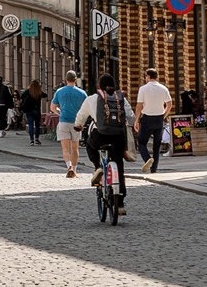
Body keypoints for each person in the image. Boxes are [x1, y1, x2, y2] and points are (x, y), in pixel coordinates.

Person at [76, 75, 134, 216]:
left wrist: (78, 126)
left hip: (100, 135)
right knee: (119, 166)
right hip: (118, 136)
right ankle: (119, 203)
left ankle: (97, 168)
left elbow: (81, 116)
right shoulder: (121, 99)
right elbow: (131, 117)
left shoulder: (92, 99)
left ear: (99, 86)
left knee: (90, 145)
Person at [134, 68, 173, 173]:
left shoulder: (143, 89)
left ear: (148, 76)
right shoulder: (163, 88)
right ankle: (154, 168)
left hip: (147, 118)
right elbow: (169, 104)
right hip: (159, 118)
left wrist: (136, 120)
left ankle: (147, 159)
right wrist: (164, 115)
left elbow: (139, 106)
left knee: (141, 142)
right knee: (157, 145)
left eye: (145, 76)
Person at [51, 71, 89, 177]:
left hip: (64, 121)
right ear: (75, 79)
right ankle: (75, 170)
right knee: (75, 147)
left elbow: (53, 107)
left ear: (66, 79)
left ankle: (69, 167)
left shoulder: (60, 91)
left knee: (65, 148)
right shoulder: (82, 93)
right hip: (76, 122)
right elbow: (86, 108)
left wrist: (60, 112)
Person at [20, 80, 45, 145]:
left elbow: (22, 96)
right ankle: (36, 138)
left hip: (29, 110)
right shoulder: (39, 92)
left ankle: (31, 140)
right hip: (37, 111)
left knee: (30, 125)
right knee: (37, 125)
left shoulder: (28, 91)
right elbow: (45, 95)